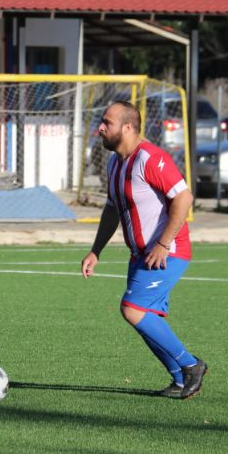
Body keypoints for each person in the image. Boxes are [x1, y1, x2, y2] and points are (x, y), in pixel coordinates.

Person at [81, 101, 207, 400]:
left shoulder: (150, 158)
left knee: (132, 309)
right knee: (146, 317)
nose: (100, 128)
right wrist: (96, 250)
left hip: (168, 251)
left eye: (107, 122)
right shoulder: (115, 163)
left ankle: (191, 365)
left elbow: (184, 198)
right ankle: (180, 379)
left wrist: (163, 244)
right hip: (141, 255)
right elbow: (112, 209)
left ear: (128, 127)